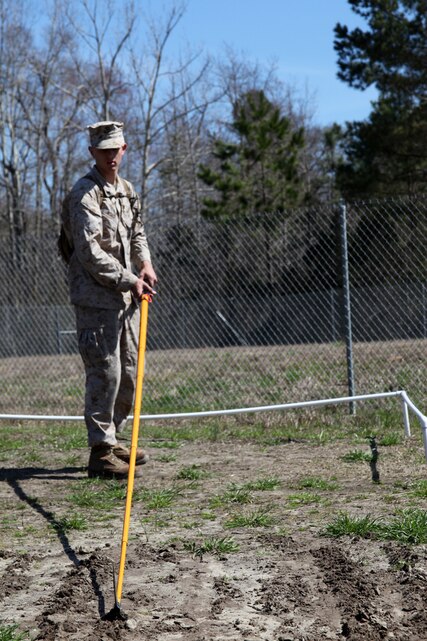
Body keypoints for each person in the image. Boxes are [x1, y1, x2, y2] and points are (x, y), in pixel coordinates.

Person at [61, 120, 157, 479]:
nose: (110, 156)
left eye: (115, 149)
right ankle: (100, 452)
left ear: (124, 149)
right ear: (92, 153)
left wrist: (145, 263)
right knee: (105, 372)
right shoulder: (84, 194)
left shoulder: (127, 190)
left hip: (126, 298)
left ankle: (113, 437)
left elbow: (138, 232)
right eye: (103, 151)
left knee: (129, 373)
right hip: (95, 298)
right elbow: (88, 251)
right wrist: (130, 279)